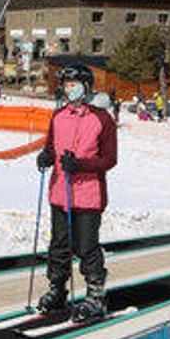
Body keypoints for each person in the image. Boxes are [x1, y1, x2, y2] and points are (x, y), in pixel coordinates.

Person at [36, 62, 117, 322]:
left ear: (86, 86)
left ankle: (95, 295)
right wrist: (46, 156)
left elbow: (109, 159)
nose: (67, 89)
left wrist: (80, 165)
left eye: (73, 85)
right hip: (60, 192)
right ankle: (57, 290)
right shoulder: (59, 116)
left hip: (88, 194)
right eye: (65, 85)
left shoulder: (102, 118)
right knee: (59, 245)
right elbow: (51, 146)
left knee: (85, 246)